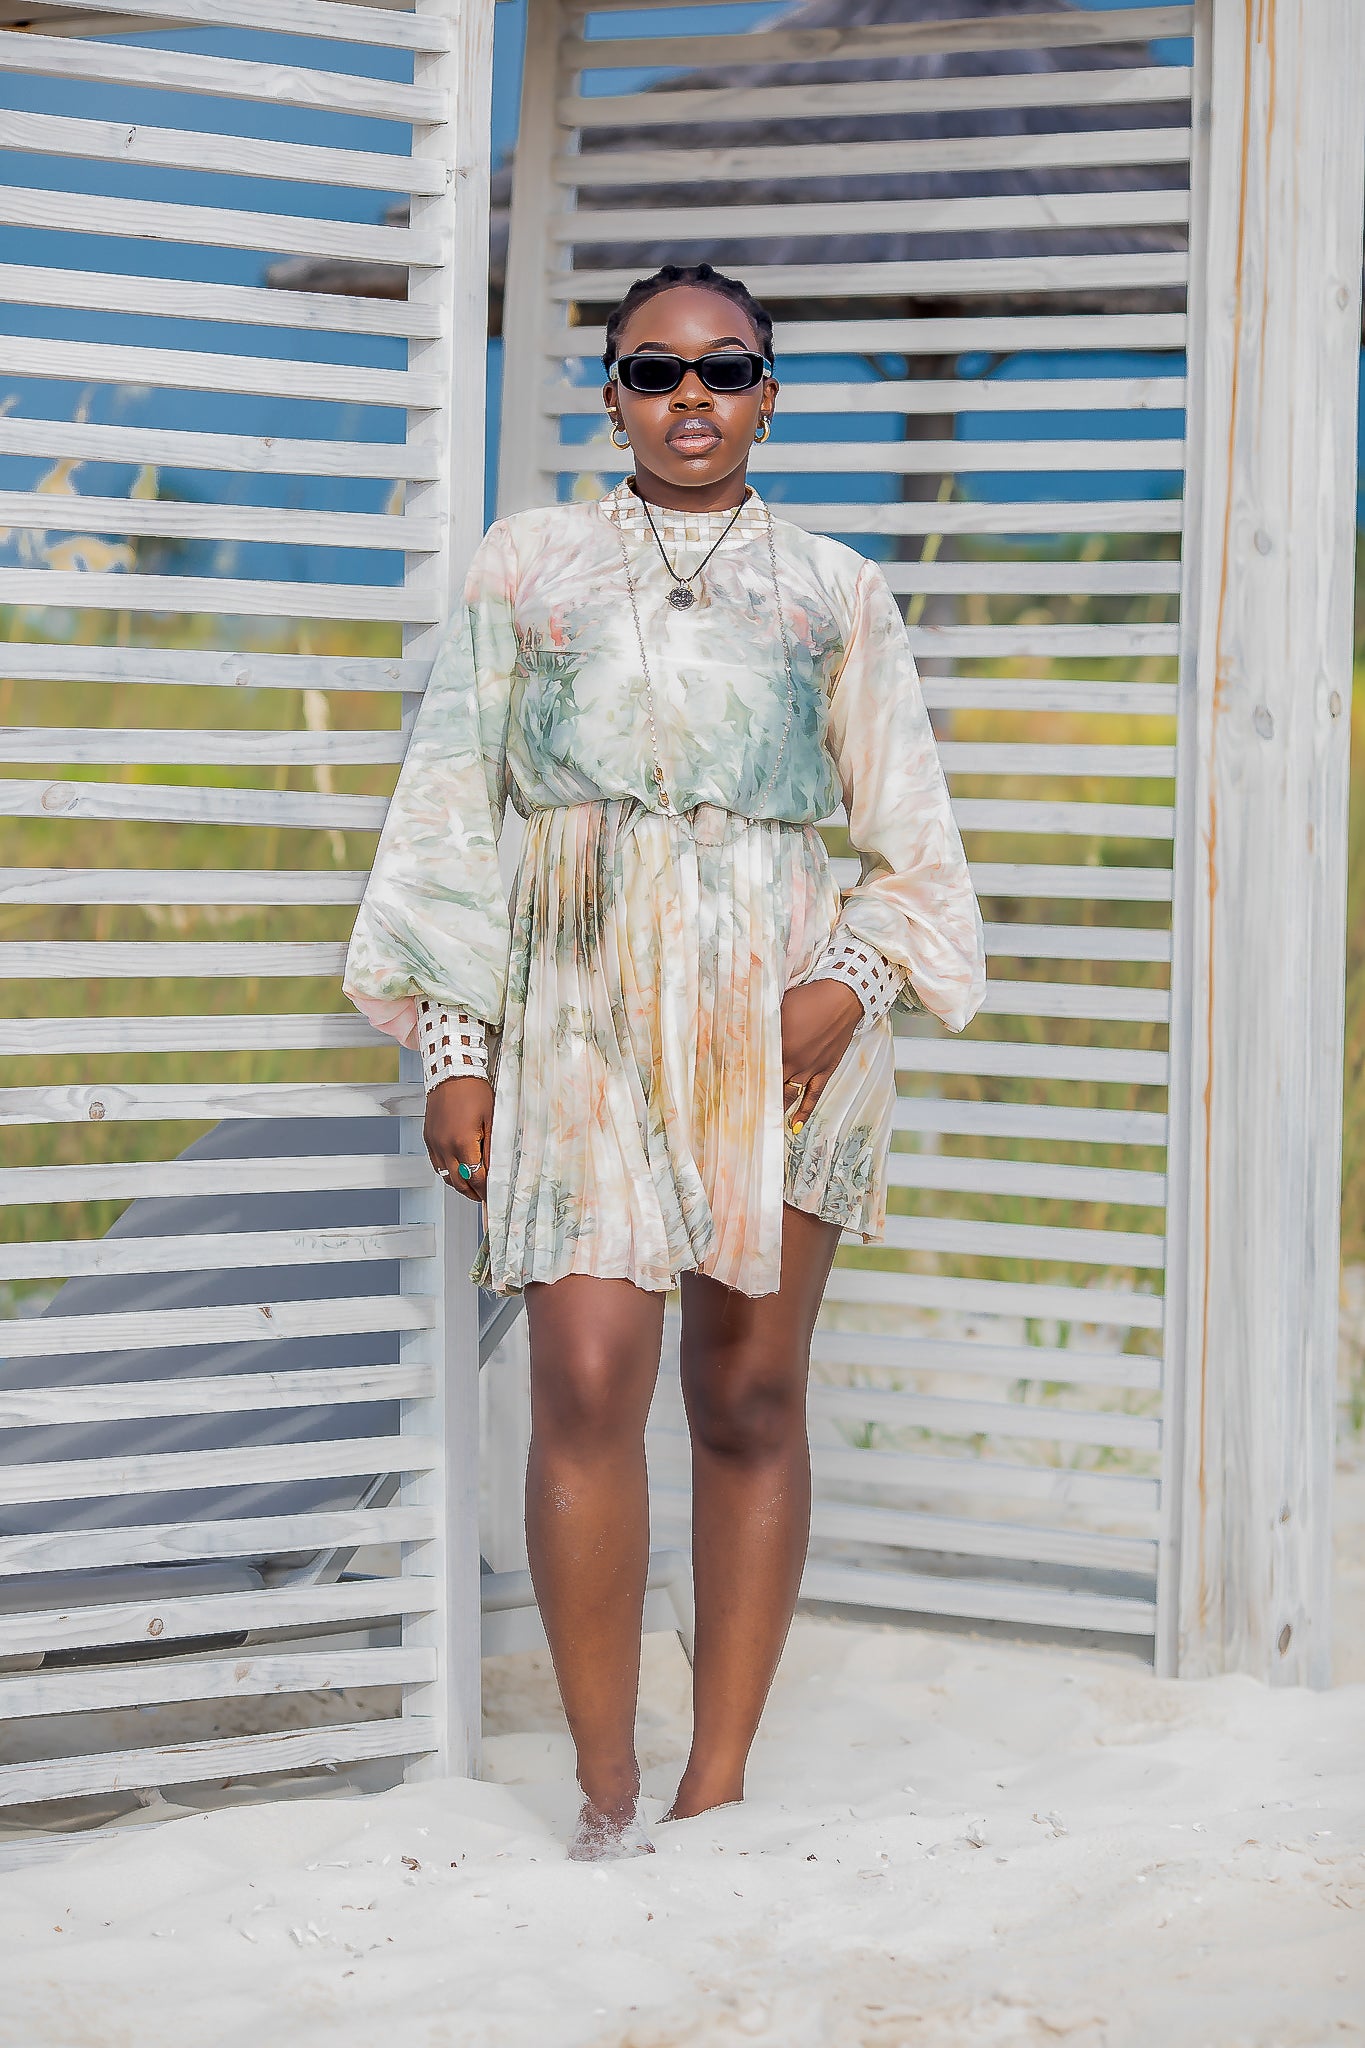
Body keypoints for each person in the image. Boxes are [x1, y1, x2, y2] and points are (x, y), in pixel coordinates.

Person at [344, 261, 986, 1860]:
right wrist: (455, 1046)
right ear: (611, 394)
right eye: (653, 370)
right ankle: (603, 1791)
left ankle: (716, 1786)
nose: (689, 397)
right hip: (573, 1002)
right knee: (580, 1380)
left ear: (767, 395)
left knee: (749, 1394)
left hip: (785, 1015)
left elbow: (912, 844)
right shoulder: (527, 566)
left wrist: (846, 985)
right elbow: (447, 812)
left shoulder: (837, 588)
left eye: (723, 369)